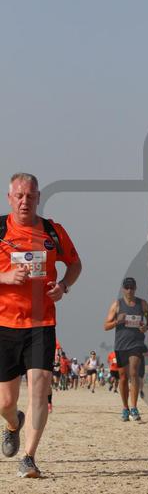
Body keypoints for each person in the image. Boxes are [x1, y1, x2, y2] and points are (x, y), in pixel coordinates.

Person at [0, 172, 82, 477]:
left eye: (30, 196)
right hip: (5, 323)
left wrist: (63, 286)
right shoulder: (0, 230)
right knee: (5, 402)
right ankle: (13, 423)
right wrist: (5, 277)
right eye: (19, 196)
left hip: (41, 323)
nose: (25, 201)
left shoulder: (52, 232)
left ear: (38, 198)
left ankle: (29, 457)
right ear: (10, 198)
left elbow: (75, 264)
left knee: (39, 388)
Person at [104, 277, 148, 421]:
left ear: (135, 288)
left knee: (134, 373)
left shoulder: (142, 304)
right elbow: (106, 326)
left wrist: (146, 327)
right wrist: (117, 321)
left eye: (132, 287)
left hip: (136, 344)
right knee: (123, 377)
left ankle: (134, 407)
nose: (129, 290)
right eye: (127, 287)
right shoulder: (117, 305)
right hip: (121, 345)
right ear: (123, 289)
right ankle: (125, 408)